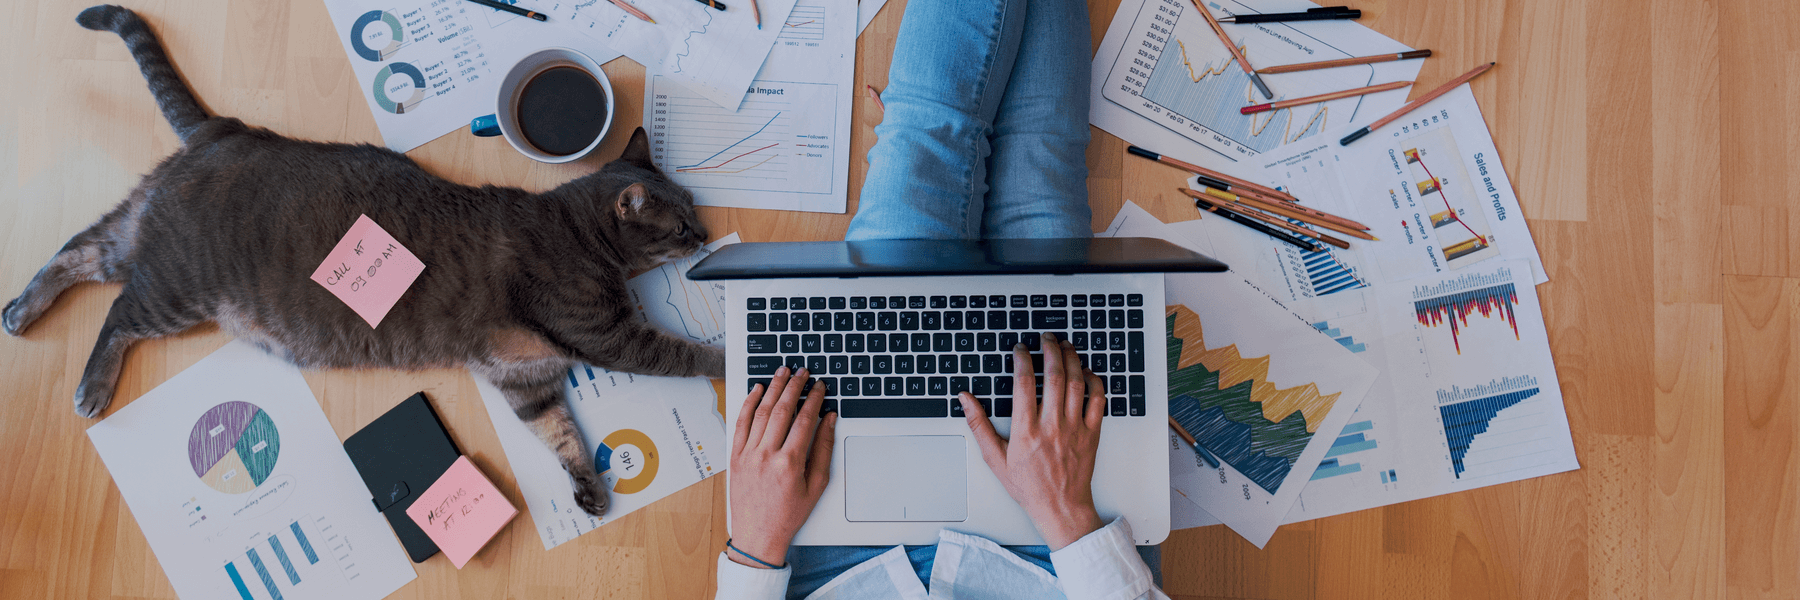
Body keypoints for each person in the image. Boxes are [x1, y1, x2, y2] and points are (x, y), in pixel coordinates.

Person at [712, 0, 1170, 595]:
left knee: (927, 145)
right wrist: (1068, 516)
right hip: (1056, 553)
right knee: (1041, 171)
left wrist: (751, 548)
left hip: (824, 554)